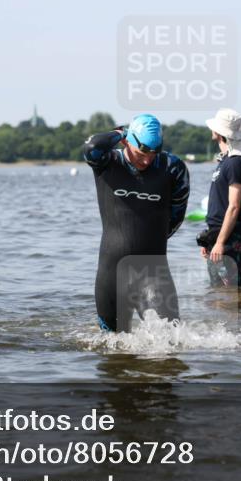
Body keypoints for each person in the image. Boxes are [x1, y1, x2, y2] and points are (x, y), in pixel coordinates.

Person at [82, 114, 190, 332]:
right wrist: (122, 131)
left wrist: (150, 239)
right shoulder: (108, 162)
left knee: (170, 343)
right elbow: (92, 146)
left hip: (153, 272)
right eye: (142, 153)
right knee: (111, 350)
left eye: (153, 153)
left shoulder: (173, 168)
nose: (147, 160)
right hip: (111, 273)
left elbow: (176, 217)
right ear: (126, 142)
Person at [199, 108, 241, 287]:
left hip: (230, 239)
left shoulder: (236, 163)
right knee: (218, 293)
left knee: (231, 294)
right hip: (218, 235)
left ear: (219, 133)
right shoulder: (225, 161)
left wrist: (220, 242)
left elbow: (234, 206)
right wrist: (210, 240)